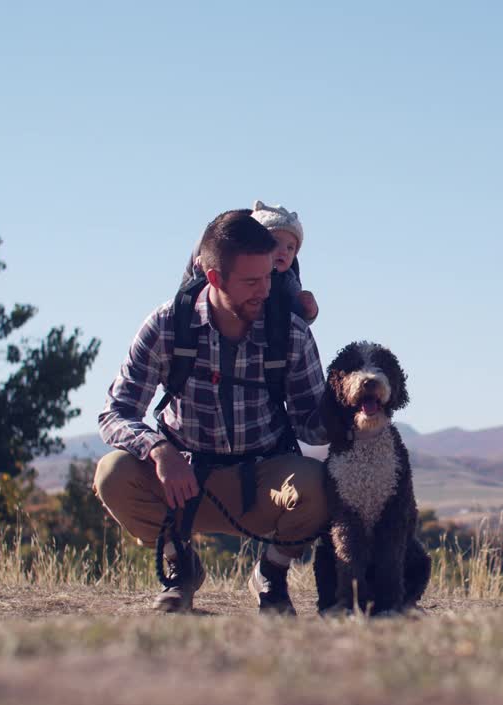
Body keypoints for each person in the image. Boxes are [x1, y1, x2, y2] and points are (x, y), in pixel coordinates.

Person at [95, 209, 328, 614]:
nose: (264, 290)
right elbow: (115, 413)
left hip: (262, 482)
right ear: (215, 278)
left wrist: (353, 412)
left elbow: (312, 424)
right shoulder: (167, 324)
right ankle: (179, 566)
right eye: (251, 282)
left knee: (322, 485)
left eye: (269, 278)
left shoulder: (289, 331)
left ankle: (271, 575)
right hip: (181, 480)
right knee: (112, 474)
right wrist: (158, 450)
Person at [181, 200, 318, 324]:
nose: (284, 252)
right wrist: (202, 267)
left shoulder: (287, 279)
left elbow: (298, 316)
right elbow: (199, 289)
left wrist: (309, 311)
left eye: (290, 248)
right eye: (275, 243)